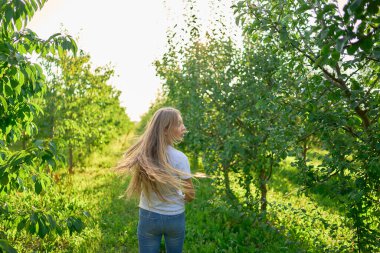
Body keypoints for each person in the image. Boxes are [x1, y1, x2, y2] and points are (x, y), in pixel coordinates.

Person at [117, 107, 195, 253]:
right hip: (175, 217)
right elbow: (190, 194)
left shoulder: (144, 155)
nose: (184, 127)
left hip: (149, 216)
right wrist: (181, 199)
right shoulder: (180, 158)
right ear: (166, 129)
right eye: (179, 124)